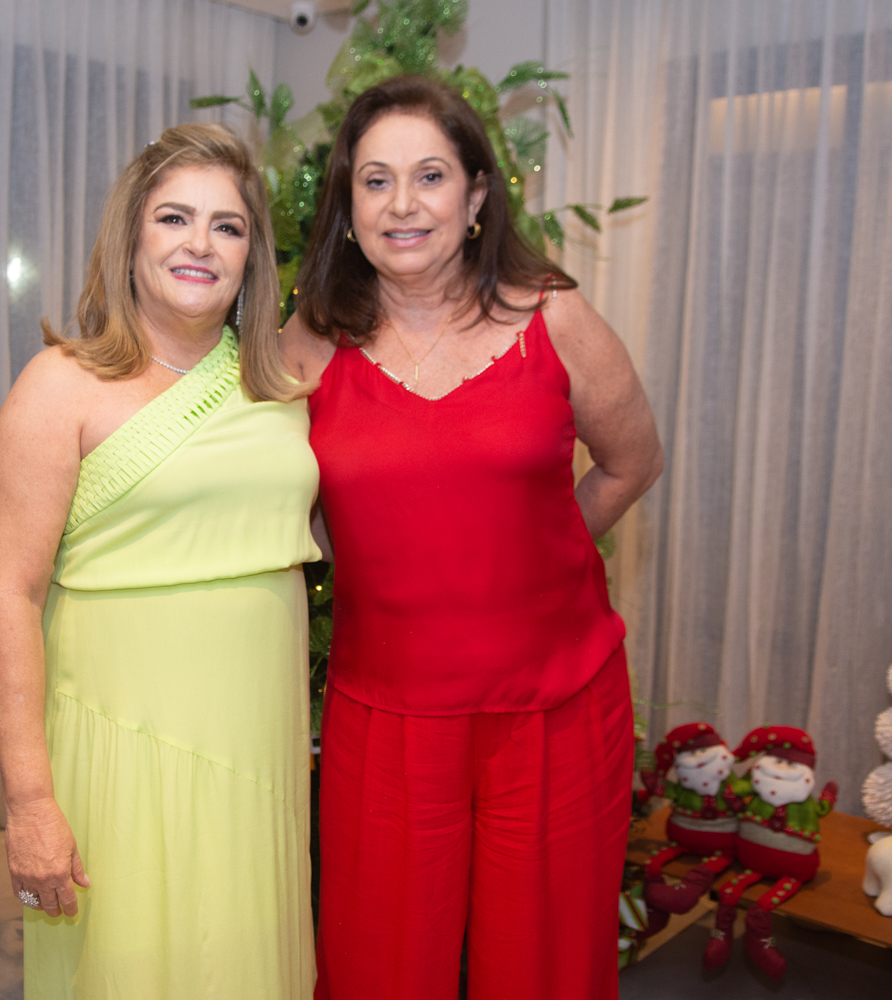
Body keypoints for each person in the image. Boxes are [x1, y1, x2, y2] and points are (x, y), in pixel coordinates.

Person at [281, 75, 664, 1000]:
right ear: (348, 205)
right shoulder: (309, 343)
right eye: (375, 181)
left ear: (478, 194)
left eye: (430, 176)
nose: (402, 205)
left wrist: (532, 556)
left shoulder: (555, 318)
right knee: (377, 970)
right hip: (386, 716)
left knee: (541, 969)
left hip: (554, 711)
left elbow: (632, 463)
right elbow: (267, 498)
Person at [0, 123, 320, 999]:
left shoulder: (283, 383)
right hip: (122, 749)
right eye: (174, 218)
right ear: (130, 238)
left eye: (227, 226)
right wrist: (29, 802)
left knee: (244, 958)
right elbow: (5, 599)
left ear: (251, 256)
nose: (200, 244)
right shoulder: (59, 386)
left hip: (257, 749)